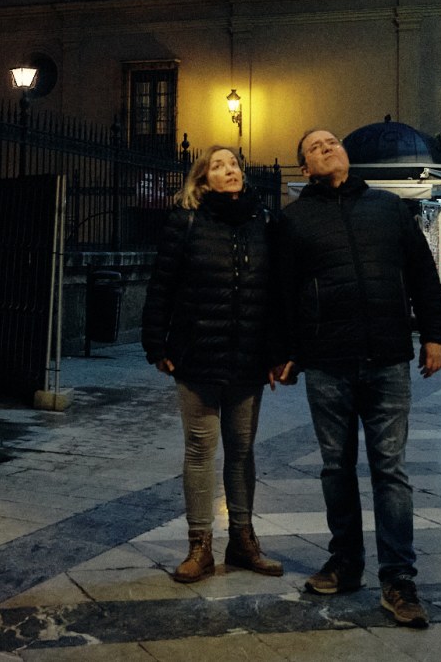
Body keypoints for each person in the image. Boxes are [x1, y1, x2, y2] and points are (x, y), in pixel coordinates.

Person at [271, 128, 441, 629]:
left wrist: (436, 335)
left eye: (332, 141)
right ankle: (345, 563)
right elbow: (282, 294)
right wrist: (284, 352)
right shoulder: (293, 220)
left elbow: (421, 275)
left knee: (390, 471)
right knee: (336, 468)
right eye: (314, 146)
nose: (327, 147)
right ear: (304, 168)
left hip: (388, 359)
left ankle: (398, 580)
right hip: (327, 363)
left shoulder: (389, 209)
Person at [141, 144, 284, 584]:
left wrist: (278, 352)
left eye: (234, 164)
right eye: (218, 166)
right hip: (196, 355)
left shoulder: (263, 222)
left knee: (241, 452)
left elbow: (277, 291)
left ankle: (242, 540)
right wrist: (155, 341)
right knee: (201, 450)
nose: (230, 170)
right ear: (202, 180)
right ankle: (199, 545)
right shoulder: (186, 222)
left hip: (248, 359)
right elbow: (162, 283)